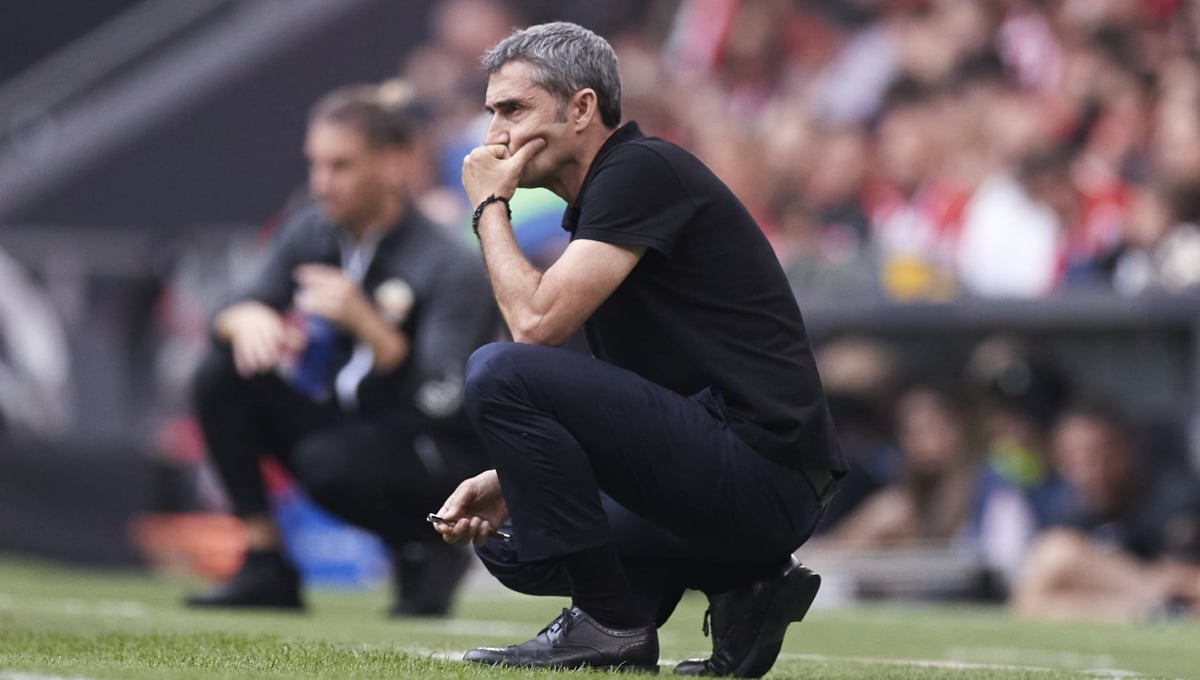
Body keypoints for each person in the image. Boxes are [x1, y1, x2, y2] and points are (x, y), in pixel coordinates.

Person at [431, 22, 845, 676]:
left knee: (498, 370)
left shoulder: (639, 170)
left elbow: (534, 325)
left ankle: (608, 625)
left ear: (582, 108)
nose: (494, 136)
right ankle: (746, 586)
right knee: (514, 544)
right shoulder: (609, 193)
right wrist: (516, 477)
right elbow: (641, 401)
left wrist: (488, 206)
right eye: (491, 112)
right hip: (745, 471)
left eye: (513, 110)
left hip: (761, 469)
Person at [185, 83, 498, 616]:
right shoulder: (312, 230)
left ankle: (425, 545)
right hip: (340, 429)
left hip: (429, 451)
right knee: (220, 373)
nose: (321, 182)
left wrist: (368, 325)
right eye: (316, 164)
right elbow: (234, 304)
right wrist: (247, 316)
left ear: (393, 164)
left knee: (330, 460)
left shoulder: (450, 263)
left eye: (341, 166)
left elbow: (443, 400)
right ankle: (264, 562)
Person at [1011, 397, 1200, 622]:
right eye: (1074, 459)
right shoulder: (1071, 510)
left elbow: (1187, 582)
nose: (1091, 470)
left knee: (1060, 551)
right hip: (1143, 605)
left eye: (1101, 455)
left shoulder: (1173, 499)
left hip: (1177, 598)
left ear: (1128, 448)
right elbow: (1029, 599)